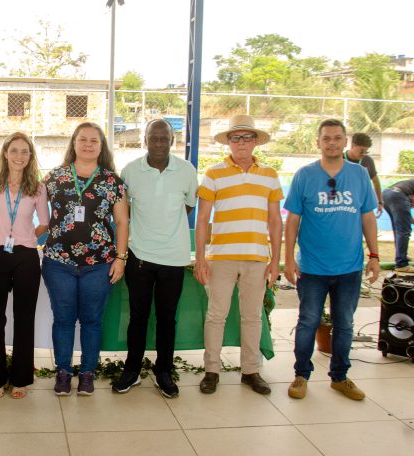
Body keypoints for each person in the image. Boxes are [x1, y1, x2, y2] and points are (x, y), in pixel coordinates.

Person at [284, 119, 380, 401]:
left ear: (345, 141)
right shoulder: (304, 176)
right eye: (326, 138)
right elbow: (292, 221)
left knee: (345, 324)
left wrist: (374, 256)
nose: (332, 143)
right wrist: (288, 259)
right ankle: (301, 375)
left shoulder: (359, 175)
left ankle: (339, 377)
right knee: (308, 322)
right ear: (318, 142)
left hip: (349, 267)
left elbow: (367, 217)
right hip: (312, 268)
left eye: (337, 138)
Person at [194, 114, 283, 396]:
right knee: (216, 315)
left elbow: (275, 220)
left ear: (255, 141)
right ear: (228, 142)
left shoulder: (269, 175)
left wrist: (276, 260)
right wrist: (200, 258)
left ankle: (250, 371)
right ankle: (211, 371)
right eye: (236, 138)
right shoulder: (214, 174)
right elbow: (202, 219)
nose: (241, 142)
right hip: (221, 257)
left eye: (247, 137)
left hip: (257, 258)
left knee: (252, 317)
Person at [112, 119, 197, 397]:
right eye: (153, 137)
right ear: (145, 139)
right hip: (139, 256)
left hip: (174, 257)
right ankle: (132, 370)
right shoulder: (130, 171)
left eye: (164, 138)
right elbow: (123, 211)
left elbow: (187, 206)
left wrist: (165, 230)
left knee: (167, 318)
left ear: (172, 140)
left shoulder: (187, 171)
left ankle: (164, 372)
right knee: (137, 317)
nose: (159, 143)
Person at [42, 122, 128, 396]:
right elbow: (32, 208)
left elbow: (122, 222)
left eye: (94, 140)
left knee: (92, 320)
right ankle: (63, 372)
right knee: (63, 319)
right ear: (74, 143)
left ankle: (88, 372)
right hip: (58, 263)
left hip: (99, 264)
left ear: (101, 147)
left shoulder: (112, 181)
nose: (88, 145)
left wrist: (120, 258)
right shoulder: (54, 177)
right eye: (83, 139)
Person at [0, 132, 49, 400]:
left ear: (30, 156)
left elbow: (44, 222)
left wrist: (27, 237)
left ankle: (20, 378)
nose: (19, 156)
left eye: (25, 151)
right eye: (14, 150)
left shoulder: (37, 187)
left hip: (26, 256)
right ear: (5, 153)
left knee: (24, 317)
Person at [345, 133, 384, 217]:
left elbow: (375, 181)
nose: (364, 154)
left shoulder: (368, 160)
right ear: (352, 146)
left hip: (361, 203)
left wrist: (380, 202)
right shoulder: (339, 159)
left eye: (366, 151)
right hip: (343, 204)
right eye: (361, 151)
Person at [381, 179, 414, 273]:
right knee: (404, 231)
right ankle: (401, 264)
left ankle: (402, 256)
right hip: (397, 195)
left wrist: (409, 220)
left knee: (398, 229)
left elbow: (407, 216)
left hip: (386, 194)